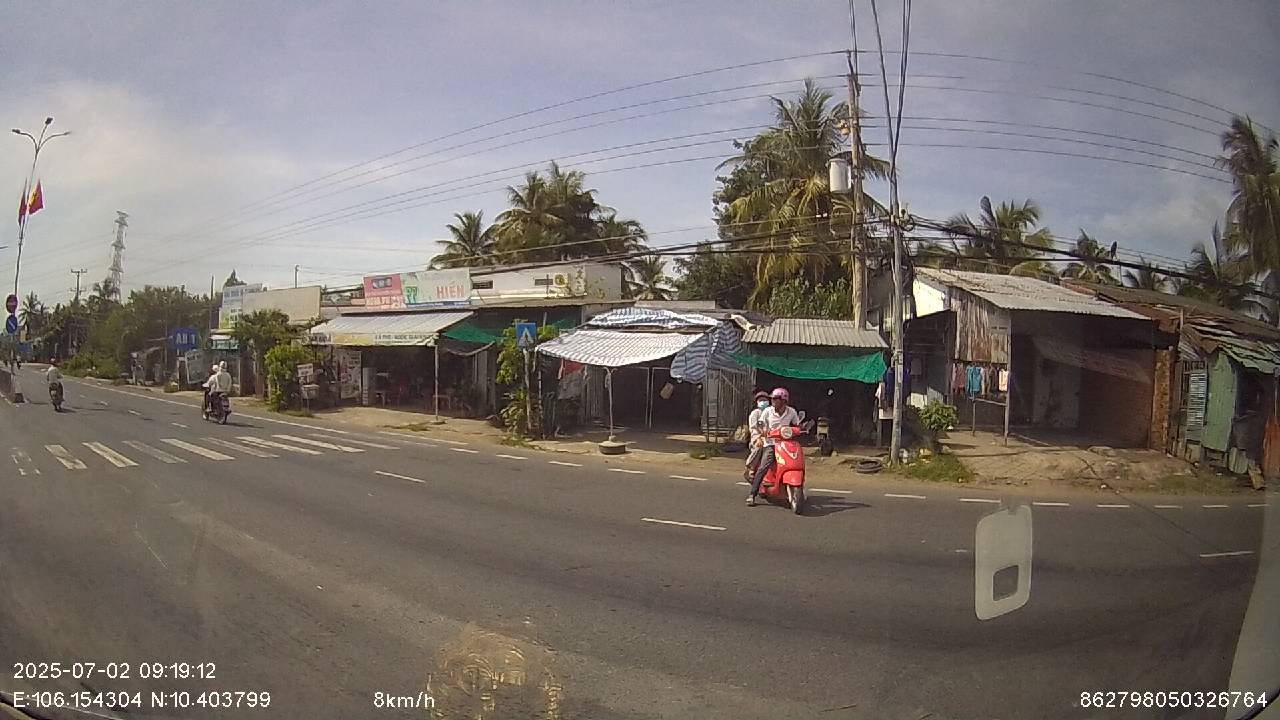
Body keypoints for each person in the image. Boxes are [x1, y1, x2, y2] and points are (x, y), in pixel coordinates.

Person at [747, 387, 801, 506]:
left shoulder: (791, 412)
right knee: (763, 467)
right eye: (772, 399)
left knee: (795, 462)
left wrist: (798, 429)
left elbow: (796, 425)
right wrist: (764, 431)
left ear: (784, 401)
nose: (773, 401)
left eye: (776, 399)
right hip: (771, 443)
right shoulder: (767, 411)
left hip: (786, 443)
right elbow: (760, 424)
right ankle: (752, 494)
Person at [743, 391, 771, 481]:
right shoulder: (755, 413)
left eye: (765, 400)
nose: (763, 402)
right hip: (758, 437)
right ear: (757, 402)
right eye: (761, 400)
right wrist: (758, 438)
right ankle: (751, 467)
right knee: (759, 447)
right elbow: (753, 428)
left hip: (771, 437)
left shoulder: (771, 412)